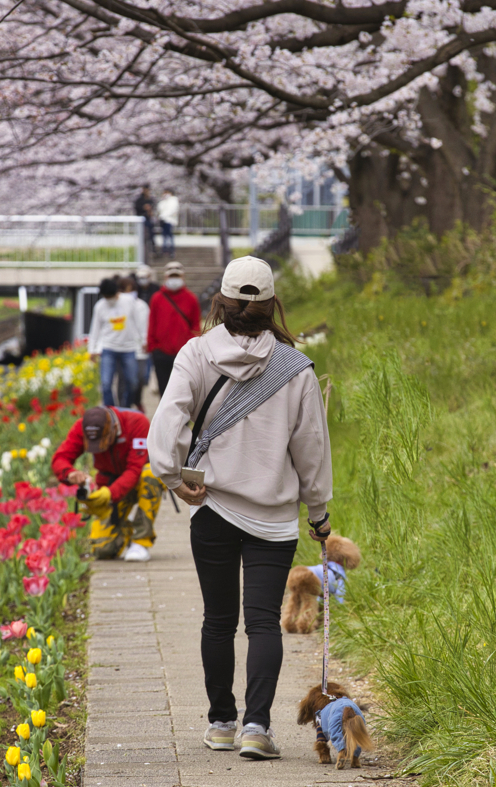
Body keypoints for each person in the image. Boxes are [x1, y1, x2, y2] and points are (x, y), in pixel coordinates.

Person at [148, 255, 332, 760]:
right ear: (272, 304)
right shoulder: (295, 368)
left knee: (217, 621)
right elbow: (311, 448)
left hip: (212, 509)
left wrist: (171, 476)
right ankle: (257, 728)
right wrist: (318, 512)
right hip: (273, 516)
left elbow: (166, 423)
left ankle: (221, 723)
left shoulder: (196, 353)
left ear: (221, 302)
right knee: (263, 623)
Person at [51, 404, 163, 562]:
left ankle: (141, 542)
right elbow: (59, 459)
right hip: (108, 483)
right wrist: (70, 474)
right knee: (103, 550)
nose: (99, 448)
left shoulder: (137, 423)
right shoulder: (81, 427)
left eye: (104, 441)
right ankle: (126, 530)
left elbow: (134, 469)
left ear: (115, 427)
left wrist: (109, 494)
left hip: (137, 481)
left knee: (151, 474)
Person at [146, 260, 200, 395]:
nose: (174, 280)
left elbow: (195, 325)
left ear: (183, 277)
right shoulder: (157, 298)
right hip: (161, 352)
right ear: (165, 277)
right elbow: (152, 323)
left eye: (177, 276)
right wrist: (153, 347)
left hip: (183, 353)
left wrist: (192, 346)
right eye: (171, 276)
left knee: (183, 391)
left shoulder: (191, 298)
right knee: (163, 391)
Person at [88, 277, 142, 408]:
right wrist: (92, 350)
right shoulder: (100, 306)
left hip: (128, 348)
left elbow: (138, 322)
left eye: (111, 296)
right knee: (106, 383)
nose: (109, 300)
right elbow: (95, 329)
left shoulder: (129, 301)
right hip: (108, 348)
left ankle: (125, 407)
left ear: (117, 292)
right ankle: (111, 410)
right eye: (106, 297)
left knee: (132, 382)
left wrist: (142, 340)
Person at [120, 275, 150, 410]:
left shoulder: (141, 306)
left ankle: (136, 401)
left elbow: (145, 326)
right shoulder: (117, 306)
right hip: (122, 349)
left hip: (138, 349)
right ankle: (124, 407)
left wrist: (144, 342)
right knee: (123, 381)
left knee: (138, 380)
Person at [134, 184, 157, 257]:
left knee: (151, 235)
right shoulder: (139, 200)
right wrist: (143, 208)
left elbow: (153, 207)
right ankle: (145, 250)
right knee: (143, 236)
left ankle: (153, 249)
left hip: (148, 219)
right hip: (142, 220)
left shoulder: (150, 199)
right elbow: (136, 208)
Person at [156, 189, 179, 259]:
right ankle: (164, 249)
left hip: (170, 220)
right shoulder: (163, 202)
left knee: (169, 235)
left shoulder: (173, 201)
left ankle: (171, 250)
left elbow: (172, 210)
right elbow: (159, 209)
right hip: (163, 220)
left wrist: (163, 216)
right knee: (164, 235)